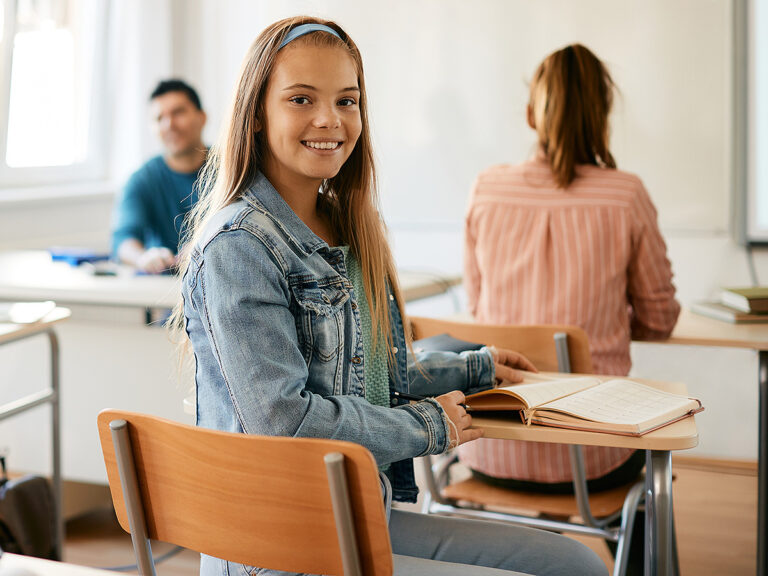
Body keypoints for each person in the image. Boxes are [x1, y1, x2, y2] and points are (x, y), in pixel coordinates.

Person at [171, 18, 607, 576]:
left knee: (575, 561)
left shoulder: (345, 226)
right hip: (284, 550)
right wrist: (432, 425)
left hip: (354, 514)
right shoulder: (239, 245)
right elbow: (286, 422)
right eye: (301, 98)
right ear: (256, 114)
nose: (329, 119)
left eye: (346, 101)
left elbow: (372, 381)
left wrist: (472, 369)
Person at [461, 43, 681, 570]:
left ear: (532, 113)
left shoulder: (486, 190)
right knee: (657, 478)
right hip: (591, 459)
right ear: (601, 114)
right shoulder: (625, 196)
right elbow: (660, 318)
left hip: (487, 446)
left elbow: (476, 308)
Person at [111, 79, 207, 274]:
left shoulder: (233, 169)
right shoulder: (142, 180)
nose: (169, 124)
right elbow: (122, 239)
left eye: (178, 112)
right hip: (165, 293)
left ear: (202, 117)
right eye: (158, 118)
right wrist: (143, 258)